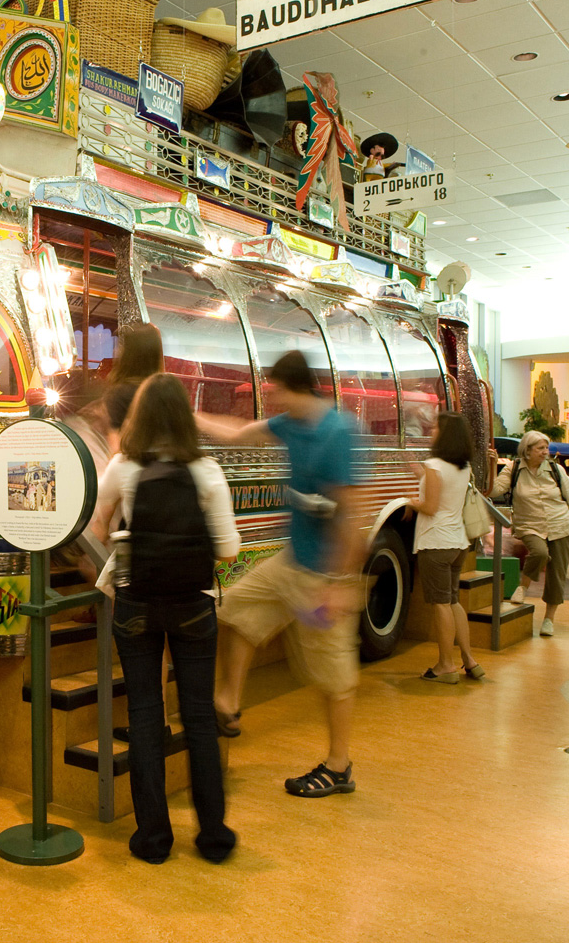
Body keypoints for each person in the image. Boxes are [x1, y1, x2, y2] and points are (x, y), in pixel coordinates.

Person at [197, 351, 368, 799]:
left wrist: (343, 584)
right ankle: (229, 704)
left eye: (272, 387)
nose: (267, 395)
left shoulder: (337, 433)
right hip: (291, 563)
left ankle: (339, 765)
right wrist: (187, 414)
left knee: (333, 677)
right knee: (235, 609)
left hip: (324, 575)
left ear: (290, 386)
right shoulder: (289, 424)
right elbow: (238, 434)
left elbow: (353, 515)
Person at [92, 373, 239, 863]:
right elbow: (228, 550)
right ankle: (213, 835)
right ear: (183, 417)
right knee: (198, 717)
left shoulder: (123, 465)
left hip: (136, 606)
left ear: (140, 416)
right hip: (194, 607)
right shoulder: (207, 472)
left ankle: (153, 839)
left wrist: (127, 550)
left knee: (145, 716)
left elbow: (97, 525)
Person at [404, 413, 484, 683]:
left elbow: (429, 507)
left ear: (445, 434)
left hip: (436, 543)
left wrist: (407, 500)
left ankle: (445, 665)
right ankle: (469, 660)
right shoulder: (463, 467)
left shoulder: (434, 464)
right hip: (458, 542)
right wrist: (420, 474)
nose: (432, 430)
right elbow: (442, 488)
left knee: (440, 605)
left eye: (436, 427)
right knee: (452, 602)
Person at [491, 431, 569, 636]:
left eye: (546, 448)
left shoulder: (556, 470)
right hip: (530, 524)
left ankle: (549, 619)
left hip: (560, 523)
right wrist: (491, 466)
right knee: (539, 552)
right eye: (540, 448)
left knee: (557, 573)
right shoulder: (513, 470)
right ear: (527, 451)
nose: (545, 452)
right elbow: (494, 490)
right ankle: (523, 585)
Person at [103, 323, 165, 442]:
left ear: (130, 354)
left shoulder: (119, 393)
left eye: (121, 346)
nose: (116, 351)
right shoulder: (167, 389)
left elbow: (116, 442)